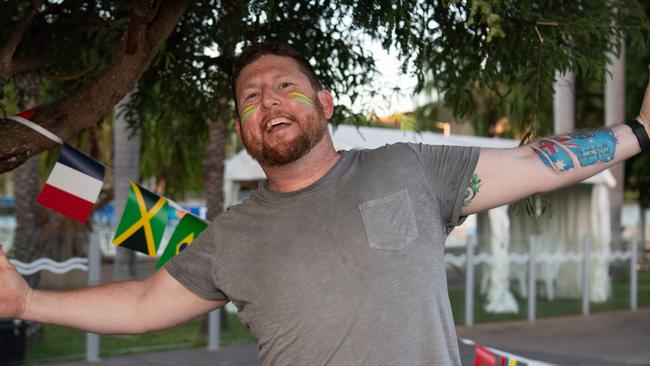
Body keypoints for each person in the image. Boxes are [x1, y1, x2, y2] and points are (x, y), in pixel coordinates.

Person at [1, 41, 649, 365]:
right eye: (251, 99)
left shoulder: (410, 168)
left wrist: (640, 133)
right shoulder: (229, 237)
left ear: (326, 103)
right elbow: (144, 305)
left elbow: (538, 164)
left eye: (285, 86)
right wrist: (27, 302)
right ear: (243, 127)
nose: (269, 102)